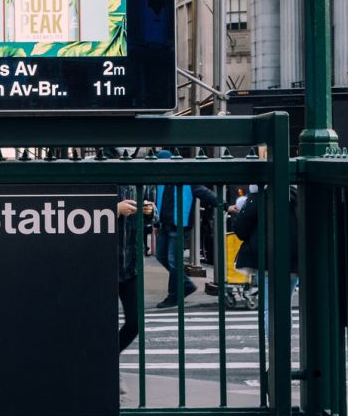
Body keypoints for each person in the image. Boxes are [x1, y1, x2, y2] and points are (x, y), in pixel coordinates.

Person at [152, 150, 220, 308]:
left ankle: (174, 295)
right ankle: (186, 284)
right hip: (165, 224)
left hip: (179, 224)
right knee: (162, 256)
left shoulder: (185, 178)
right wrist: (156, 223)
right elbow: (158, 202)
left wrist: (222, 204)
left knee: (172, 260)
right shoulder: (160, 180)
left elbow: (204, 192)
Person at [229, 184, 300, 333]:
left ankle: (277, 350)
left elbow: (241, 230)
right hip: (294, 260)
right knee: (284, 306)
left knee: (271, 308)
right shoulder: (296, 194)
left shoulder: (259, 197)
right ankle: (284, 348)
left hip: (268, 260)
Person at [116, 182, 148, 354]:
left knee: (135, 322)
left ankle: (107, 357)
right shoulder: (99, 167)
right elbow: (85, 210)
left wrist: (150, 211)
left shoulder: (139, 176)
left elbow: (152, 216)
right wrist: (115, 209)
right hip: (105, 263)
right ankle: (103, 364)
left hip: (131, 263)